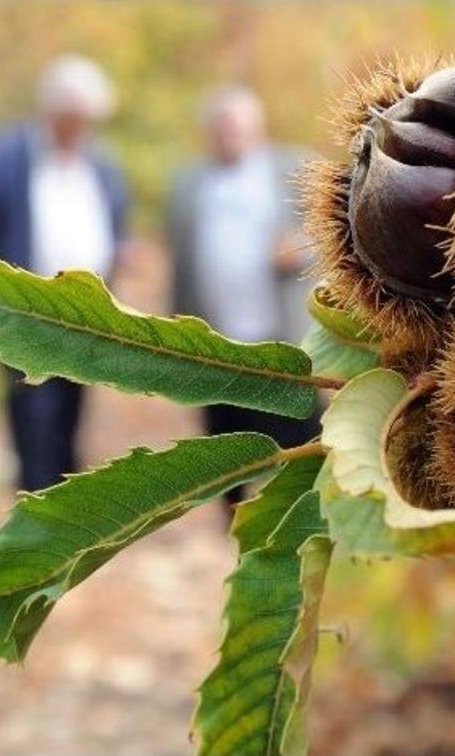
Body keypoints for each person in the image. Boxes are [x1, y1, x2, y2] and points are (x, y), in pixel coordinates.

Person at [0, 54, 129, 492]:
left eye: (86, 120)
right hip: (22, 317)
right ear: (50, 112)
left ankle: (63, 505)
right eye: (71, 118)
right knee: (33, 419)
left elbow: (115, 222)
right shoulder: (4, 157)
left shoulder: (102, 164)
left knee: (71, 415)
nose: (78, 129)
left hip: (84, 318)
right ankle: (35, 507)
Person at [167, 86, 318, 504]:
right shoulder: (189, 184)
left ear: (259, 128)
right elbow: (180, 262)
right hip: (217, 336)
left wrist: (297, 248)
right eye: (222, 127)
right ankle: (234, 522)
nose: (230, 134)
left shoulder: (293, 167)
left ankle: (297, 511)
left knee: (293, 429)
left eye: (238, 126)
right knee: (225, 434)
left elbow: (335, 234)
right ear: (209, 132)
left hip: (281, 332)